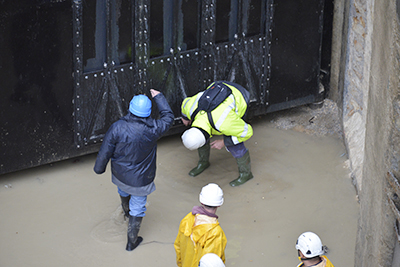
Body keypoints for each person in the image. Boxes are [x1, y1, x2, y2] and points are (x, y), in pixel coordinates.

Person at [93, 89, 174, 251]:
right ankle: (131, 242)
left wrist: (99, 169)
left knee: (123, 191)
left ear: (130, 108)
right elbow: (169, 117)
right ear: (148, 113)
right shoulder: (154, 129)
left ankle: (126, 213)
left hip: (120, 175)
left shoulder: (117, 127)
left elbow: (105, 150)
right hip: (141, 180)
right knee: (139, 206)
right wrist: (159, 96)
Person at [180, 81, 254, 187]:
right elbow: (185, 103)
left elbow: (247, 132)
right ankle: (204, 162)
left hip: (238, 94)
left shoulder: (224, 122)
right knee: (201, 140)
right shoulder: (191, 109)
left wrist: (224, 142)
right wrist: (185, 117)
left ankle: (246, 174)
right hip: (218, 88)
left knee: (235, 144)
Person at [174, 183, 227, 267]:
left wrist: (181, 264)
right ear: (219, 204)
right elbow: (213, 262)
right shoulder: (215, 233)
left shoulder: (187, 219)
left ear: (202, 201)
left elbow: (178, 246)